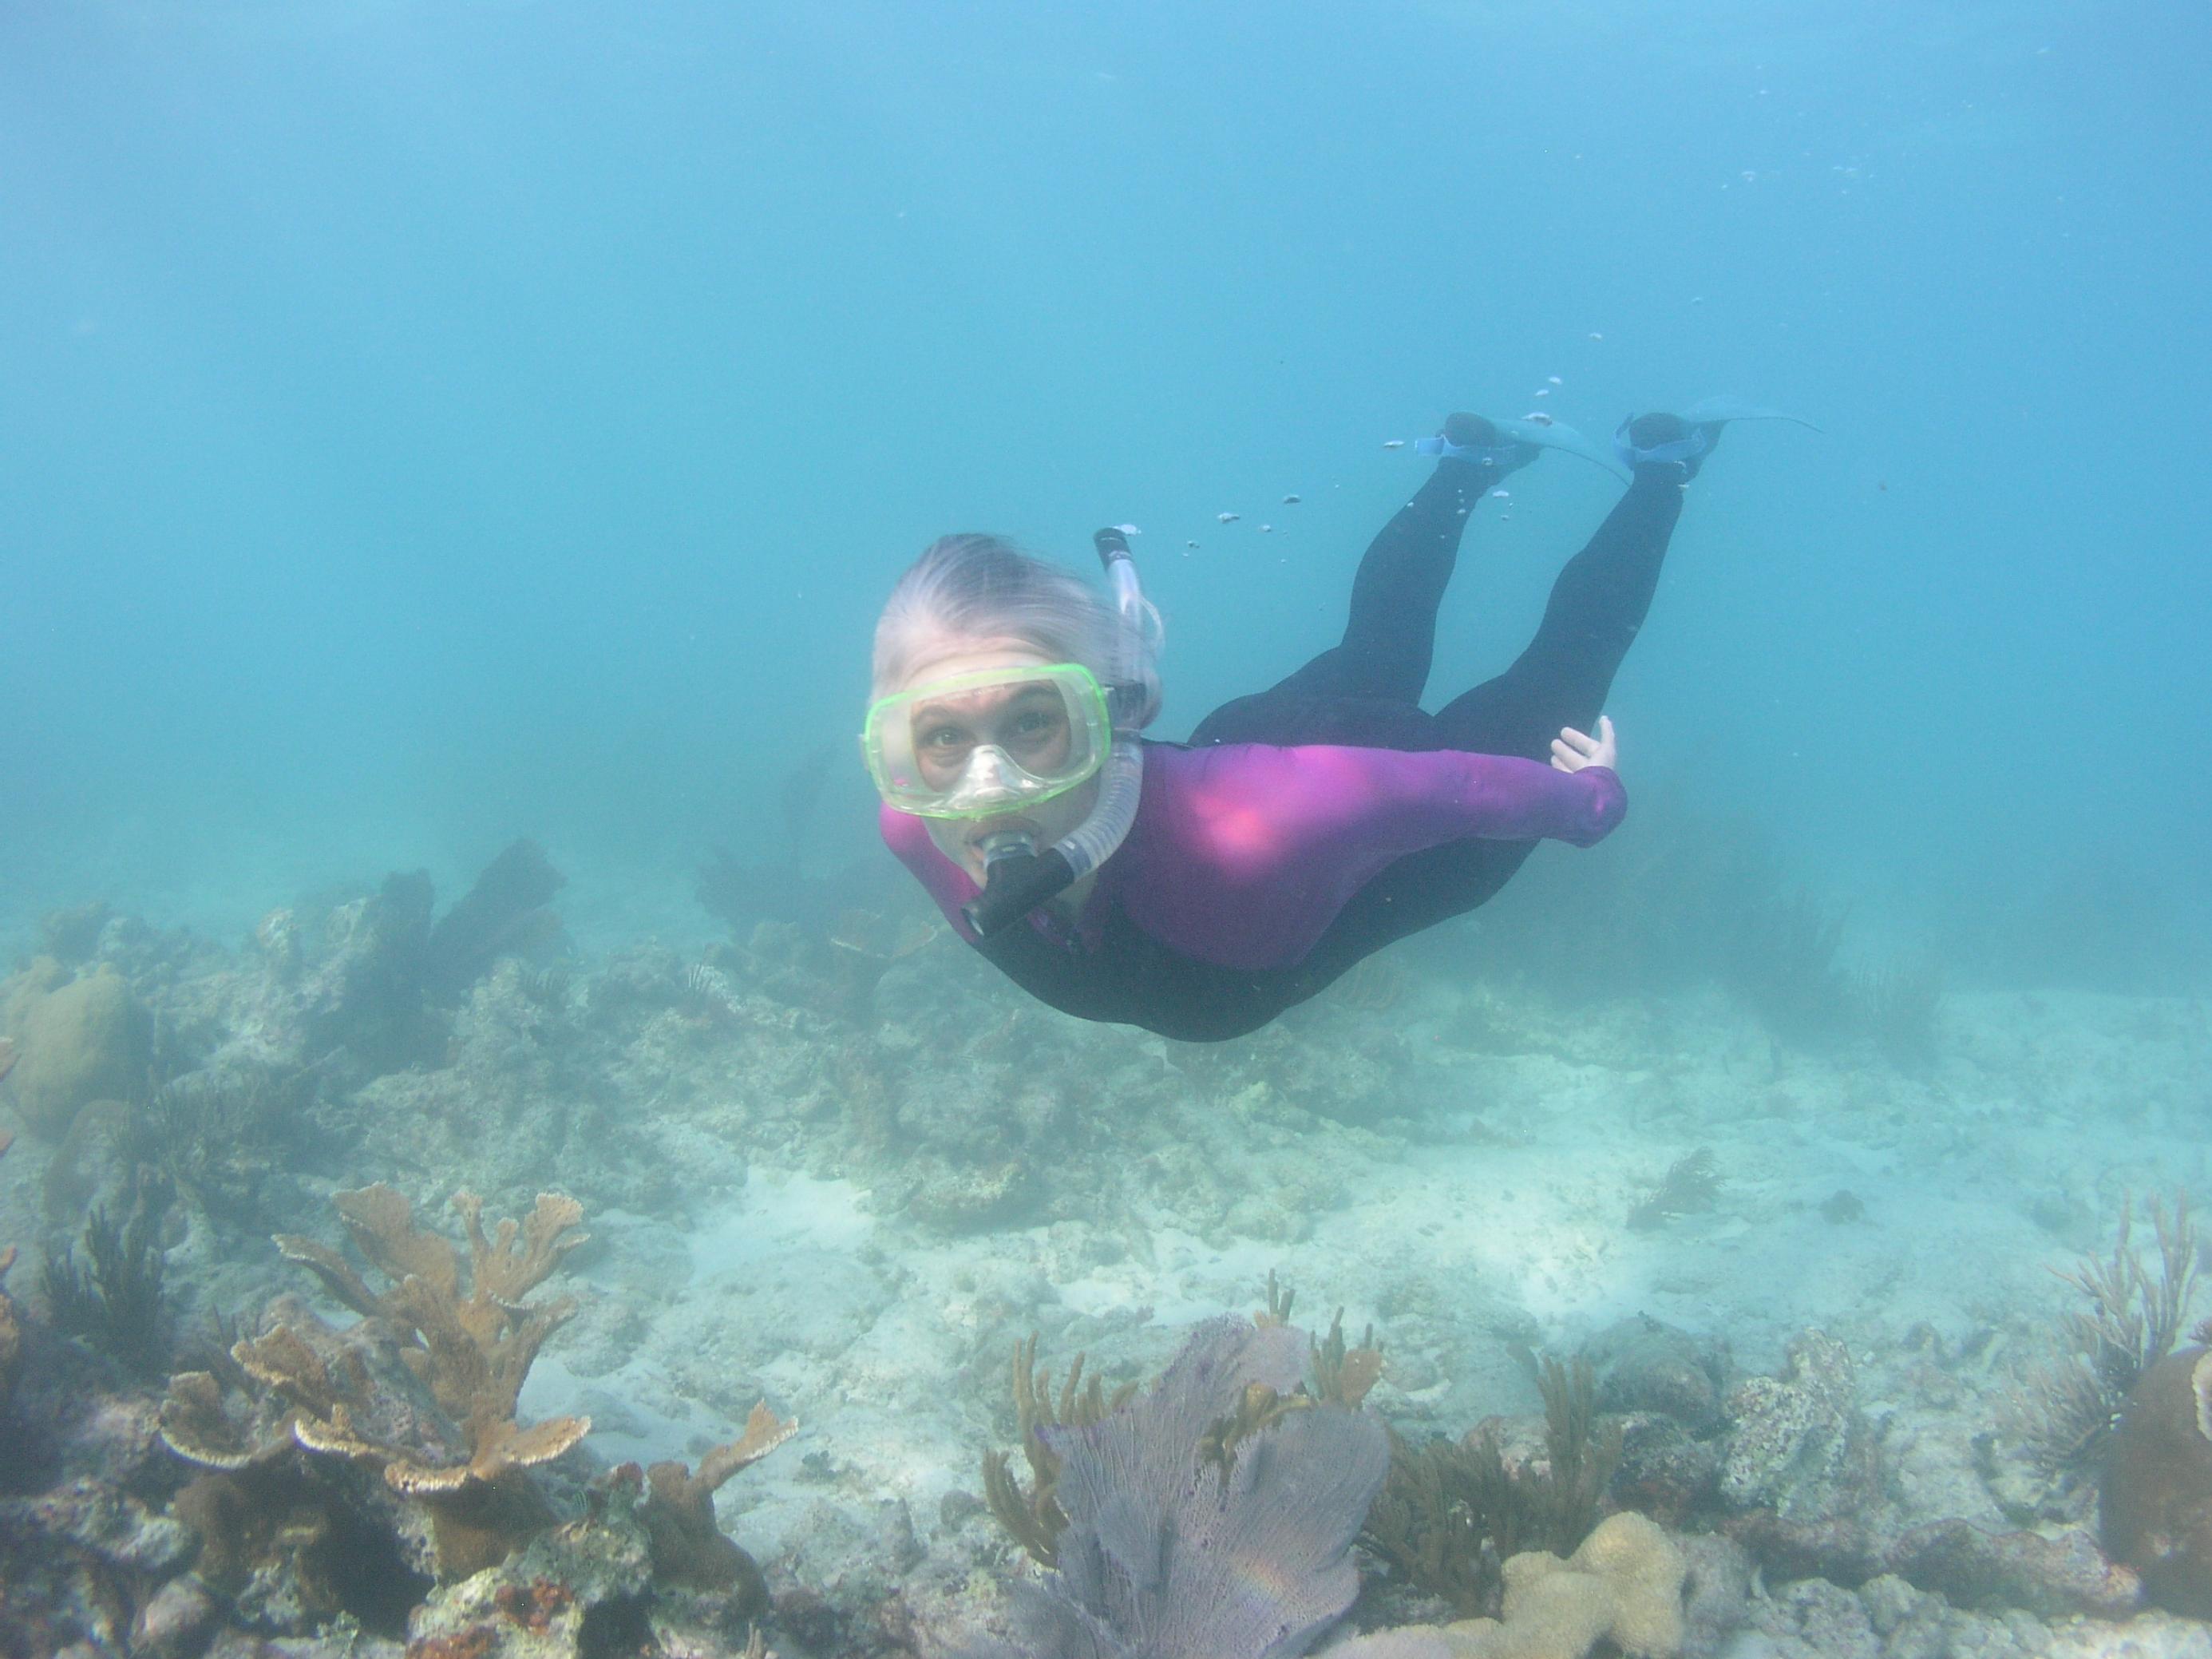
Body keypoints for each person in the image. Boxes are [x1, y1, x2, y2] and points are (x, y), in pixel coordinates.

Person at [863, 410, 1733, 1042]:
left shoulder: (1261, 826)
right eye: (939, 736)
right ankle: (1466, 463)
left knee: (1562, 666)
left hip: (1400, 835)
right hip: (1265, 740)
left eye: (1029, 720)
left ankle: (1661, 467)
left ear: (1113, 715)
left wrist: (1592, 804)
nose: (986, 788)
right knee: (1377, 645)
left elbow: (1460, 786)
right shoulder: (913, 822)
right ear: (895, 748)